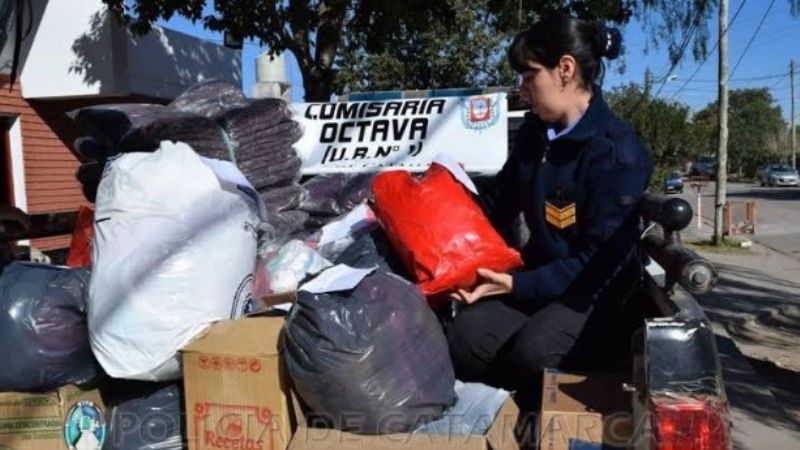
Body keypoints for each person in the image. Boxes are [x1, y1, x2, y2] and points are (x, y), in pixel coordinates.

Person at [446, 16, 653, 399]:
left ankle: (546, 411)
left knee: (533, 355)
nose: (523, 90)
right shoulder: (534, 135)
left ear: (565, 70)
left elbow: (597, 261)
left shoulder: (615, 152)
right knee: (463, 338)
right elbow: (497, 203)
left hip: (594, 295)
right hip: (538, 281)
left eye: (529, 77)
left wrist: (514, 284)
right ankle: (508, 407)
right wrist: (447, 233)